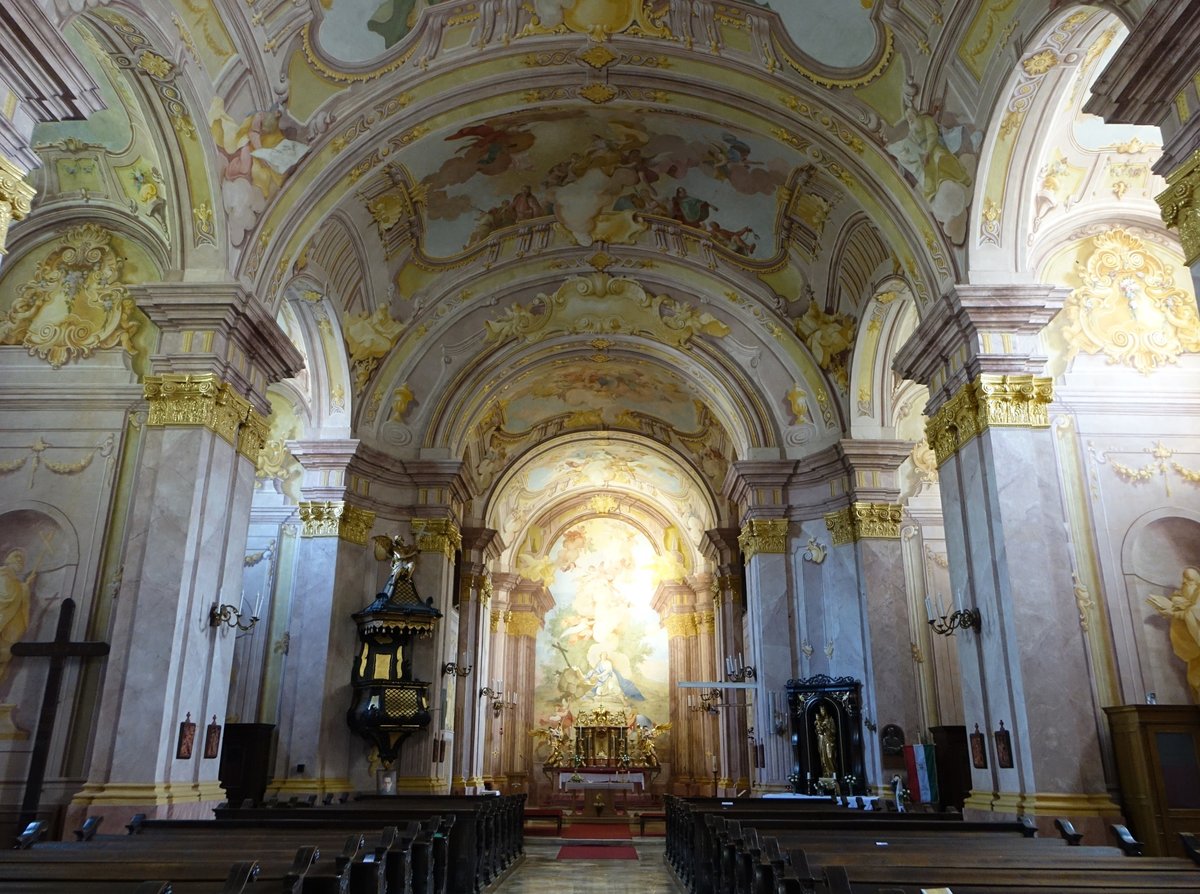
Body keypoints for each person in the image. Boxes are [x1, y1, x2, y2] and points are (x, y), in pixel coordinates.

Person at [0, 549, 34, 681]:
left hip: (9, 630)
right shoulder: (2, 575)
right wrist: (22, 588)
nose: (20, 560)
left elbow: (18, 598)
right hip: (2, 622)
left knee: (4, 660)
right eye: (16, 556)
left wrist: (25, 587)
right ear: (7, 560)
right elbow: (6, 598)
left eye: (22, 560)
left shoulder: (16, 583)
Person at [814, 705, 838, 778]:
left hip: (829, 740)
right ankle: (825, 773)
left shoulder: (830, 719)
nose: (822, 712)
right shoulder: (819, 721)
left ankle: (832, 774)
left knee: (830, 756)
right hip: (821, 740)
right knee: (823, 758)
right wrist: (819, 730)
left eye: (823, 710)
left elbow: (834, 731)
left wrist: (826, 729)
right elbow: (816, 731)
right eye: (821, 710)